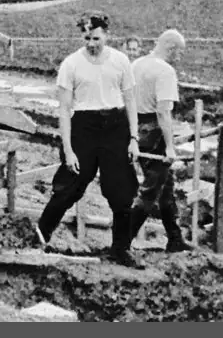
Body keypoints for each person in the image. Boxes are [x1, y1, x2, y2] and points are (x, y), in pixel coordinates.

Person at [36, 14, 142, 268]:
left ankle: (121, 248)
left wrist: (134, 138)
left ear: (107, 35)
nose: (92, 43)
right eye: (86, 38)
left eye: (96, 38)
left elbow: (130, 101)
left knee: (121, 190)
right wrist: (68, 150)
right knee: (69, 186)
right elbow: (64, 110)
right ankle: (39, 238)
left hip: (116, 127)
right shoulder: (71, 64)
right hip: (84, 127)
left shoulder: (120, 61)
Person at [127, 29, 192, 253]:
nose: (180, 57)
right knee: (151, 189)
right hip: (154, 132)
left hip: (136, 128)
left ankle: (175, 238)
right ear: (171, 48)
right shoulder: (165, 72)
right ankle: (122, 243)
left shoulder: (137, 65)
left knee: (166, 185)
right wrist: (170, 146)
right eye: (180, 53)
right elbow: (164, 112)